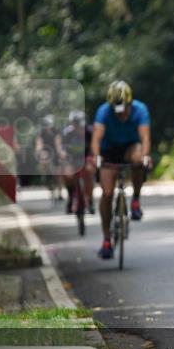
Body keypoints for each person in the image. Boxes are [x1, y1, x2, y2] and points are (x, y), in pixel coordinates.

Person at [91, 80, 152, 260]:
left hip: (129, 148)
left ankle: (135, 201)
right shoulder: (103, 112)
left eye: (124, 110)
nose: (121, 114)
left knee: (139, 159)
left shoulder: (140, 110)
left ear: (130, 103)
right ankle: (106, 240)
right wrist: (96, 157)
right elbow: (96, 138)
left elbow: (145, 137)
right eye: (117, 111)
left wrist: (146, 155)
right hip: (109, 149)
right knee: (107, 193)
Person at [60, 110, 95, 214]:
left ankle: (90, 199)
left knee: (89, 171)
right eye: (75, 123)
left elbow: (95, 145)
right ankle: (71, 197)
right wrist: (62, 153)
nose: (78, 127)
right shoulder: (67, 133)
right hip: (71, 158)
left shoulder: (90, 131)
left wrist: (94, 155)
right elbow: (61, 147)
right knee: (68, 175)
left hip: (86, 156)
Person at [35, 114, 64, 200]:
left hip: (55, 151)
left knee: (58, 173)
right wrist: (39, 151)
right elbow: (39, 143)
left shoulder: (56, 131)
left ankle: (60, 192)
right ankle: (46, 176)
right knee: (43, 160)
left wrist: (60, 152)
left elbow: (58, 143)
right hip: (46, 151)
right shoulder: (41, 132)